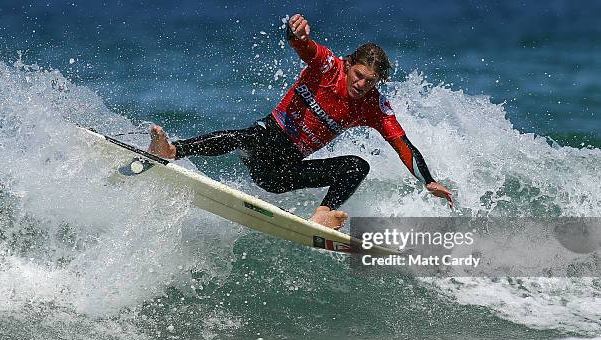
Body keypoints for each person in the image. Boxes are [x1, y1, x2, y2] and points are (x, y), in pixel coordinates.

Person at [148, 14, 453, 229]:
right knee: (259, 135)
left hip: (281, 175)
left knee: (358, 166)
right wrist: (298, 34)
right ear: (348, 66)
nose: (361, 84)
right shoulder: (327, 66)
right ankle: (172, 151)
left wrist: (428, 180)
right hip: (263, 145)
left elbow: (404, 146)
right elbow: (303, 46)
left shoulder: (374, 106)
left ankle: (322, 213)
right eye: (358, 75)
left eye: (370, 81)